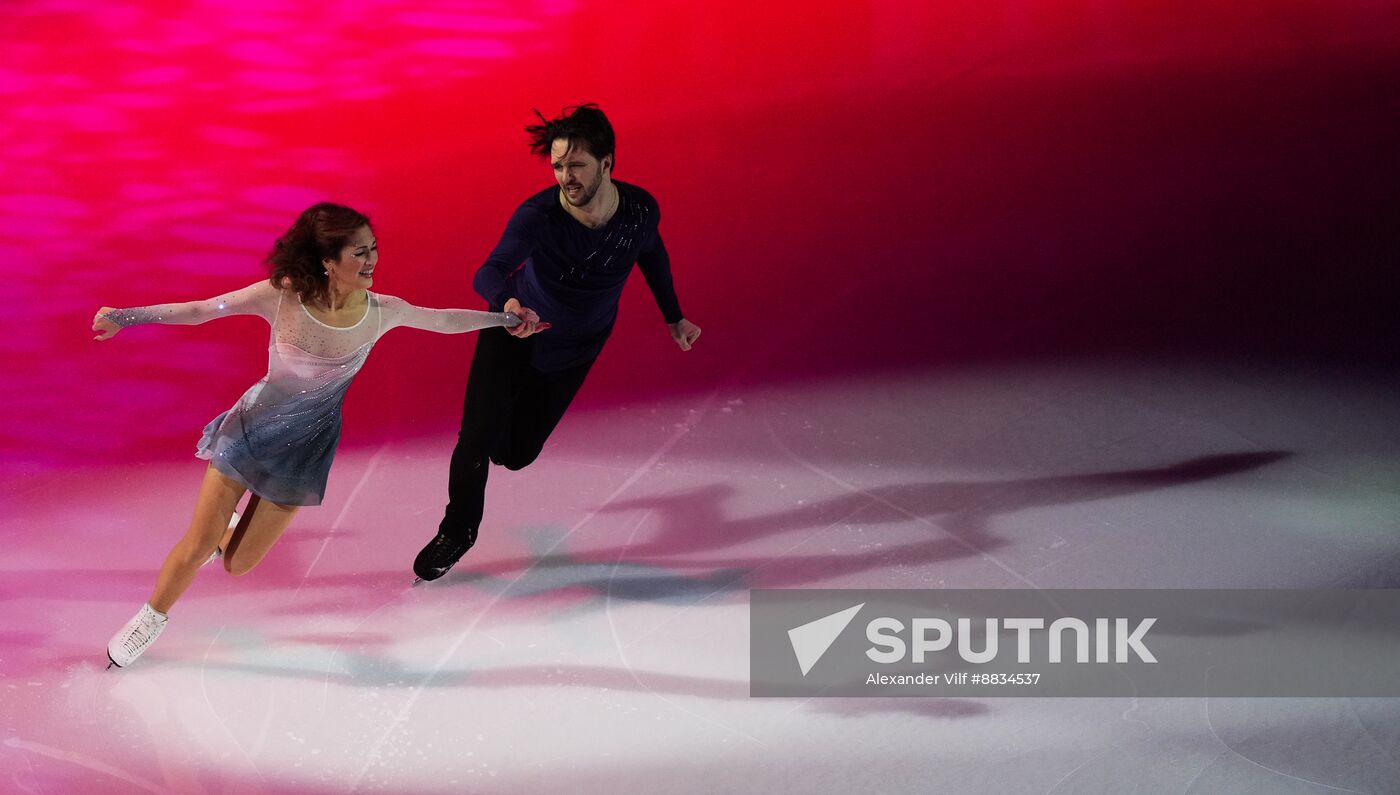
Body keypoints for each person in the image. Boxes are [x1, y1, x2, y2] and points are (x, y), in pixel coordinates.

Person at [93, 202, 520, 668]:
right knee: (197, 544)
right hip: (250, 434)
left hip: (306, 454)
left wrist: (504, 321)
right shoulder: (282, 296)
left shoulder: (380, 312)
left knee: (238, 564)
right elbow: (201, 310)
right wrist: (126, 316)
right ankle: (151, 618)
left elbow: (442, 320)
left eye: (373, 248)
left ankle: (227, 532)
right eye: (359, 252)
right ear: (327, 260)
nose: (372, 259)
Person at [414, 103, 702, 582]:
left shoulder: (639, 210)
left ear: (607, 163)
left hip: (576, 347)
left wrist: (674, 316)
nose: (565, 176)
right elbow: (488, 270)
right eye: (558, 166)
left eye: (576, 165)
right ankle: (458, 530)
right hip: (512, 333)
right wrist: (507, 304)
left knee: (516, 454)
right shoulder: (538, 215)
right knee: (476, 438)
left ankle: (501, 431)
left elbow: (651, 253)